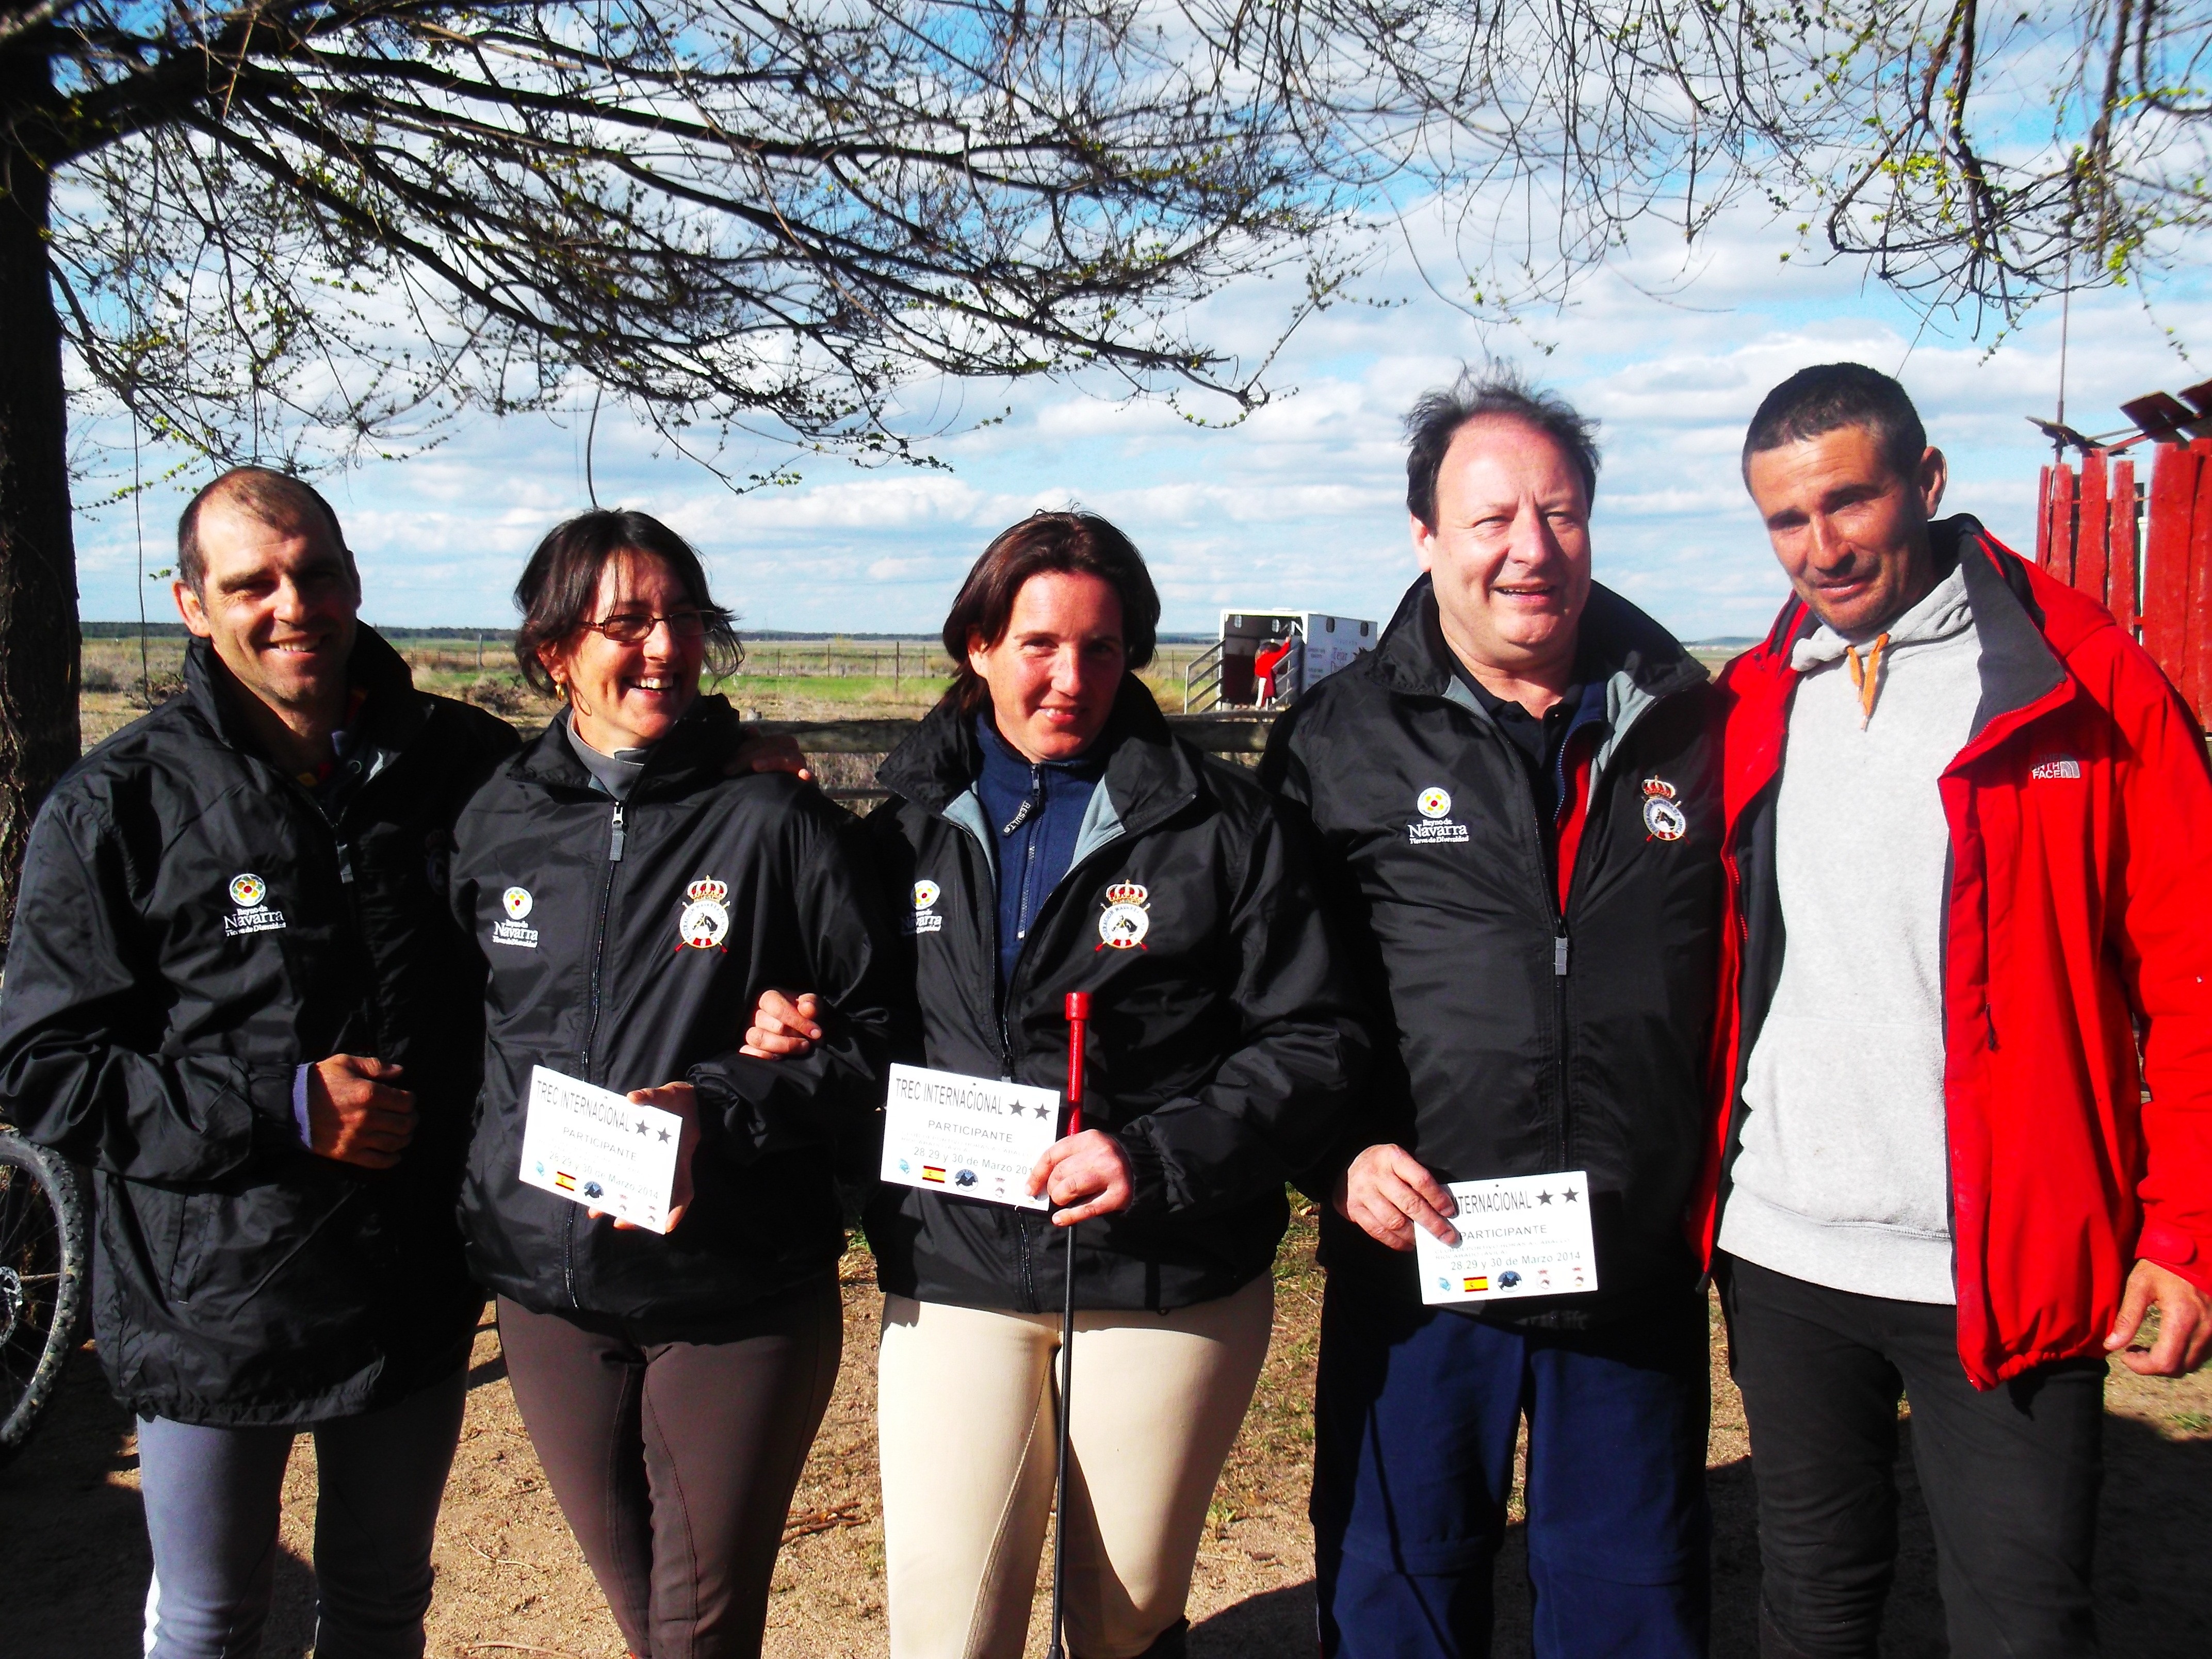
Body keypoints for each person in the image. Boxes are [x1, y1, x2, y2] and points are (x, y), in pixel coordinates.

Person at [747, 509, 1366, 1659]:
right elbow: (855, 1017)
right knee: (946, 1627)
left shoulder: (1226, 829)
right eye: (1038, 644)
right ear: (976, 645)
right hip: (956, 1265)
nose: (1068, 677)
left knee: (1120, 1622)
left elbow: (1312, 1041)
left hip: (1164, 1276)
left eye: (1099, 646)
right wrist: (794, 1019)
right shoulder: (898, 838)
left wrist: (1151, 1154)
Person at [1709, 363, 2212, 1658]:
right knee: (1809, 1606)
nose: (1817, 550)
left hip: (2006, 1264)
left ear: (1925, 484)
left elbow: (2193, 969)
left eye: (1846, 503)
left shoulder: (2080, 685)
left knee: (2019, 1623)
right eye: (1783, 520)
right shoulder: (1760, 696)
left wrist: (2186, 1230)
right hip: (1784, 1256)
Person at [0, 468, 521, 1658]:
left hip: (412, 1284)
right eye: (252, 584)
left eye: (316, 573)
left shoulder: (465, 766)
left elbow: (618, 816)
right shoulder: (114, 808)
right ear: (192, 605)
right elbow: (47, 1069)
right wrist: (283, 1109)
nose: (294, 606)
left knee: (384, 1601)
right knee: (213, 1619)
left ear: (352, 579)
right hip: (209, 1302)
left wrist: (730, 749)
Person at [1260, 368, 1723, 1657]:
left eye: (1561, 514)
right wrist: (1331, 1151)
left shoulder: (1693, 723)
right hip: (1420, 1263)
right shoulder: (1333, 742)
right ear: (1424, 538)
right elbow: (1271, 989)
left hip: (1628, 1266)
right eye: (1490, 519)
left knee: (1632, 1611)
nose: (1531, 550)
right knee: (1398, 1601)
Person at [449, 509, 901, 1659]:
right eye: (626, 622)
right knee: (644, 1612)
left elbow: (880, 1041)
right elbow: (460, 1035)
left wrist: (725, 1102)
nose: (663, 647)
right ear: (553, 650)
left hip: (733, 1289)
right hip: (548, 1292)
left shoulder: (773, 818)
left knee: (696, 1624)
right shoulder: (496, 820)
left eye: (683, 619)